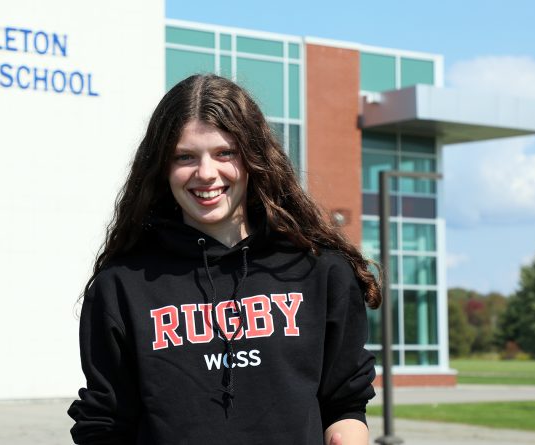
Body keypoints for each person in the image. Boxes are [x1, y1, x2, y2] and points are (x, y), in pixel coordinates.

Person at [68, 74, 381, 445]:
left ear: (253, 158)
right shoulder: (123, 285)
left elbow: (344, 403)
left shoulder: (319, 270)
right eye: (185, 157)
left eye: (224, 153)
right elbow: (105, 422)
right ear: (162, 169)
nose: (205, 173)